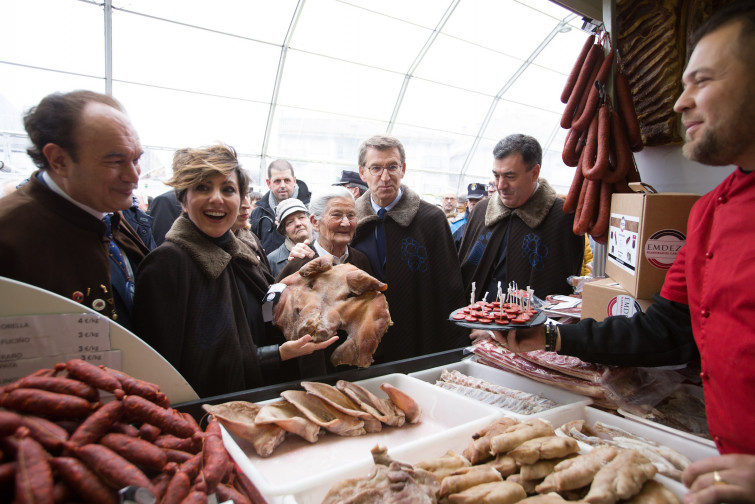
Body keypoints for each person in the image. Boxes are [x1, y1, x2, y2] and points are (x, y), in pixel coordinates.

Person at [485, 3, 755, 501]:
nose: (680, 103)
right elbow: (665, 333)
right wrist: (549, 337)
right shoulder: (710, 212)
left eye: (702, 80)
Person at [134, 144, 336, 397]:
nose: (217, 198)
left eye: (228, 189)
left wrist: (287, 284)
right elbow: (171, 369)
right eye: (203, 187)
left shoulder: (240, 255)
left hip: (260, 398)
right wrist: (280, 353)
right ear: (183, 199)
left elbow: (257, 317)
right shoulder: (167, 265)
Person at [0, 90, 150, 330]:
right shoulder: (10, 235)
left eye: (135, 159)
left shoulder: (112, 216)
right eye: (115, 161)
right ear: (59, 160)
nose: (133, 176)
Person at [349, 134, 468, 363]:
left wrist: (454, 347)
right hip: (365, 340)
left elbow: (449, 287)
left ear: (403, 169)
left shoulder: (431, 219)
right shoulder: (351, 221)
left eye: (392, 167)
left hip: (417, 337)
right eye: (376, 168)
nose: (385, 177)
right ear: (362, 173)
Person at [458, 134, 584, 301]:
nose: (501, 185)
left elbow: (560, 285)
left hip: (530, 325)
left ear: (534, 173)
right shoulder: (481, 210)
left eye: (510, 176)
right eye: (496, 175)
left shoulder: (561, 218)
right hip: (472, 322)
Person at [249, 159, 311, 253]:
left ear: (294, 181)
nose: (283, 185)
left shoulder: (311, 209)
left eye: (287, 180)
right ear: (269, 183)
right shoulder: (258, 214)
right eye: (277, 181)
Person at [266, 198, 314, 278]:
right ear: (284, 231)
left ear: (310, 220)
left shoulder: (325, 249)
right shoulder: (273, 260)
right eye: (290, 222)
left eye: (301, 217)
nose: (298, 223)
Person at [452, 182, 487, 248]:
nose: (473, 203)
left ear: (486, 200)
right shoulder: (456, 224)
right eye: (470, 200)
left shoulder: (491, 224)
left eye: (477, 200)